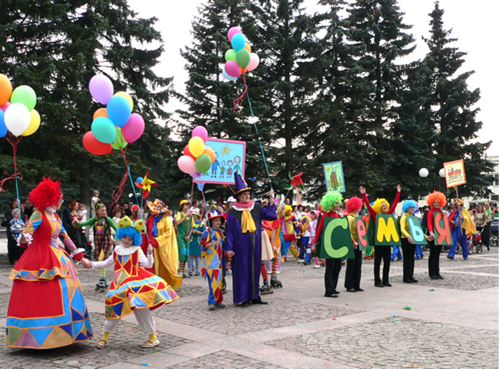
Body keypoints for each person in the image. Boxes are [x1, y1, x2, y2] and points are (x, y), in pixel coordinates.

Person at [5, 178, 93, 348]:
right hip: (39, 257)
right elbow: (27, 235)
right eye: (59, 198)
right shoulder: (39, 213)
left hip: (57, 256)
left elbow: (65, 237)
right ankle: (40, 336)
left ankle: (68, 333)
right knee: (43, 294)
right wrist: (24, 236)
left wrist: (80, 257)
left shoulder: (55, 216)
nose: (61, 200)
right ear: (50, 198)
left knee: (69, 289)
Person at [81, 216, 178, 348]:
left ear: (134, 239)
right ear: (121, 236)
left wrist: (150, 254)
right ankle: (104, 337)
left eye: (130, 239)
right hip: (119, 285)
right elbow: (106, 263)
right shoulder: (116, 250)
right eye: (125, 237)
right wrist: (90, 264)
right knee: (115, 308)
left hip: (134, 284)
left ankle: (153, 337)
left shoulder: (137, 250)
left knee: (142, 308)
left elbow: (148, 264)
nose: (126, 241)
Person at [224, 172, 276, 307]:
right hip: (240, 247)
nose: (247, 197)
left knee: (254, 269)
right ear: (238, 197)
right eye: (244, 195)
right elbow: (229, 231)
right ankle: (243, 297)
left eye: (248, 194)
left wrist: (271, 201)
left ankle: (254, 296)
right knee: (242, 271)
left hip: (255, 245)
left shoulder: (256, 207)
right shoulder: (232, 212)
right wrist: (229, 248)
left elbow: (270, 216)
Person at [359, 185, 401, 287]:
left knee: (387, 261)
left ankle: (385, 280)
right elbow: (368, 206)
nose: (385, 207)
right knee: (377, 261)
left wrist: (398, 193)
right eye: (382, 205)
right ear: (379, 207)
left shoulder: (389, 214)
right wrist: (364, 195)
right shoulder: (375, 215)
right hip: (378, 241)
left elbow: (394, 205)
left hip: (387, 240)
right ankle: (377, 281)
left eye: (385, 205)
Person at [76, 203, 118, 289]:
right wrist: (76, 221)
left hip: (106, 241)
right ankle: (104, 278)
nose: (104, 212)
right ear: (97, 211)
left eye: (105, 210)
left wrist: (115, 239)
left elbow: (118, 230)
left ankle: (102, 279)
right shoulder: (94, 220)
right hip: (97, 242)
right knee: (99, 259)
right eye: (102, 210)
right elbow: (83, 224)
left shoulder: (108, 219)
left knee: (102, 258)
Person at [145, 199, 183, 290]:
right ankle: (155, 284)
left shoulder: (166, 219)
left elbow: (168, 233)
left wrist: (156, 241)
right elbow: (147, 231)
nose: (153, 211)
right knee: (153, 266)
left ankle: (169, 283)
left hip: (163, 247)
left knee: (166, 265)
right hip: (153, 247)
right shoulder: (151, 218)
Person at [312, 191, 343, 298]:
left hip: (337, 245)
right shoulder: (325, 215)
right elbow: (319, 230)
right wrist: (314, 244)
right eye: (336, 203)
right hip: (329, 245)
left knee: (338, 266)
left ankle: (333, 287)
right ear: (331, 204)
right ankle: (328, 290)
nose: (339, 204)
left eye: (339, 202)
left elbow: (343, 232)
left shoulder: (339, 216)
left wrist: (353, 242)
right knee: (329, 267)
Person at [201, 210, 226, 310]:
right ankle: (211, 301)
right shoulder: (207, 232)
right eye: (216, 220)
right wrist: (211, 244)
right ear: (211, 221)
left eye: (219, 220)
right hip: (210, 263)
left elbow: (222, 246)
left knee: (219, 283)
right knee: (213, 283)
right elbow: (202, 246)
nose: (218, 222)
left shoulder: (220, 232)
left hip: (219, 262)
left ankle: (218, 301)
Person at [425, 191, 447, 280]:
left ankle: (437, 272)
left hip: (440, 235)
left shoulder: (441, 212)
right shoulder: (431, 212)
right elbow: (429, 223)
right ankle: (432, 273)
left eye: (438, 202)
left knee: (437, 254)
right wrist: (431, 232)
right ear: (432, 203)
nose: (436, 203)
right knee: (433, 254)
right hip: (434, 235)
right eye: (435, 202)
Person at [345, 196, 364, 292]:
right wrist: (353, 242)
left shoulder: (358, 217)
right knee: (351, 265)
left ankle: (356, 284)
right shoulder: (349, 217)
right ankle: (349, 285)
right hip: (353, 243)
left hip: (359, 243)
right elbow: (347, 231)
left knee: (358, 264)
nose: (360, 207)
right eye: (358, 205)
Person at [399, 200, 419, 283]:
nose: (412, 209)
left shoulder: (413, 217)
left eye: (413, 207)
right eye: (410, 207)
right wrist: (408, 236)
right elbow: (402, 228)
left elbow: (418, 229)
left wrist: (426, 237)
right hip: (405, 239)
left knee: (411, 258)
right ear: (406, 208)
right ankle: (406, 277)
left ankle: (411, 275)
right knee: (407, 258)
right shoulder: (404, 217)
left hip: (412, 238)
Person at [176, 200, 193, 278]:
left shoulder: (191, 216)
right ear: (182, 206)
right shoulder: (179, 214)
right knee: (182, 253)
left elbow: (192, 227)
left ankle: (182, 271)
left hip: (187, 237)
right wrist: (186, 216)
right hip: (180, 236)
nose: (187, 206)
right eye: (185, 205)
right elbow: (178, 222)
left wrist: (189, 236)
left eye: (188, 205)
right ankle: (180, 270)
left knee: (186, 253)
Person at [187, 209, 204, 276]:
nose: (193, 216)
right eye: (192, 215)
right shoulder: (190, 223)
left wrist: (198, 232)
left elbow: (205, 233)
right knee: (190, 255)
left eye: (194, 215)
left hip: (198, 241)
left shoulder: (201, 224)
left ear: (197, 216)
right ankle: (190, 270)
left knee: (197, 256)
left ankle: (197, 270)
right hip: (191, 240)